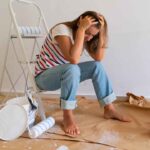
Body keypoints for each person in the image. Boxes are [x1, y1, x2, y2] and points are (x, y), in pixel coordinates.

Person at [34, 11, 131, 136]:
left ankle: (109, 109)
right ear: (80, 21)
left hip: (65, 74)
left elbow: (99, 58)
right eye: (88, 33)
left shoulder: (85, 37)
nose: (89, 38)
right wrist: (81, 30)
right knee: (72, 68)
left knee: (96, 66)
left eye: (92, 35)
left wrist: (101, 33)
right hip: (44, 77)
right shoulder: (62, 30)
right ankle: (67, 115)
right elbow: (73, 59)